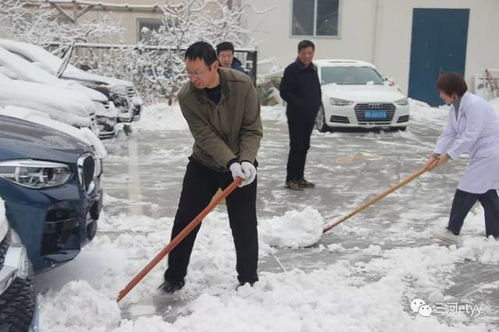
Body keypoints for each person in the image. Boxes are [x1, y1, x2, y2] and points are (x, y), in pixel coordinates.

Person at [161, 41, 262, 293]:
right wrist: (230, 162)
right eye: (189, 72)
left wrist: (246, 160)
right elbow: (204, 136)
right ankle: (174, 277)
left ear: (214, 66)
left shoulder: (242, 85)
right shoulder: (186, 96)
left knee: (244, 222)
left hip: (243, 164)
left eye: (198, 72)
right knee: (186, 220)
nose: (193, 78)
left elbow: (252, 129)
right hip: (204, 164)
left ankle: (248, 279)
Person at [426, 72, 499, 244]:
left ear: (453, 94)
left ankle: (452, 230)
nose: (440, 96)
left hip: (491, 152)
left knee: (466, 188)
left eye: (442, 92)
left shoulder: (475, 105)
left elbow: (470, 136)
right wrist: (436, 154)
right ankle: (496, 233)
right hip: (481, 153)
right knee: (486, 192)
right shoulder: (455, 107)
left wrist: (448, 156)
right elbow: (449, 133)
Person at [279, 40, 321, 190]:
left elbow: (316, 89)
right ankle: (291, 179)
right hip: (296, 116)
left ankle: (300, 177)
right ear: (299, 53)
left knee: (304, 147)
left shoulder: (313, 69)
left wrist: (316, 105)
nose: (307, 56)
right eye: (304, 53)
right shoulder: (292, 70)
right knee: (296, 146)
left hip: (310, 116)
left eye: (310, 53)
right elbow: (284, 91)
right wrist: (299, 105)